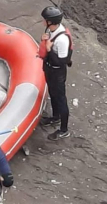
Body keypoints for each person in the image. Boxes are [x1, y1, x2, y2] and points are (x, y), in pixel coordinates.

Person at [39, 6, 73, 140]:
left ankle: (64, 129)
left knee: (60, 99)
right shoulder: (52, 31)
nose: (43, 22)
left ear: (50, 22)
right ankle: (55, 117)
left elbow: (62, 61)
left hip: (57, 71)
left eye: (45, 20)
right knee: (53, 94)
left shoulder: (62, 39)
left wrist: (49, 49)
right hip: (50, 69)